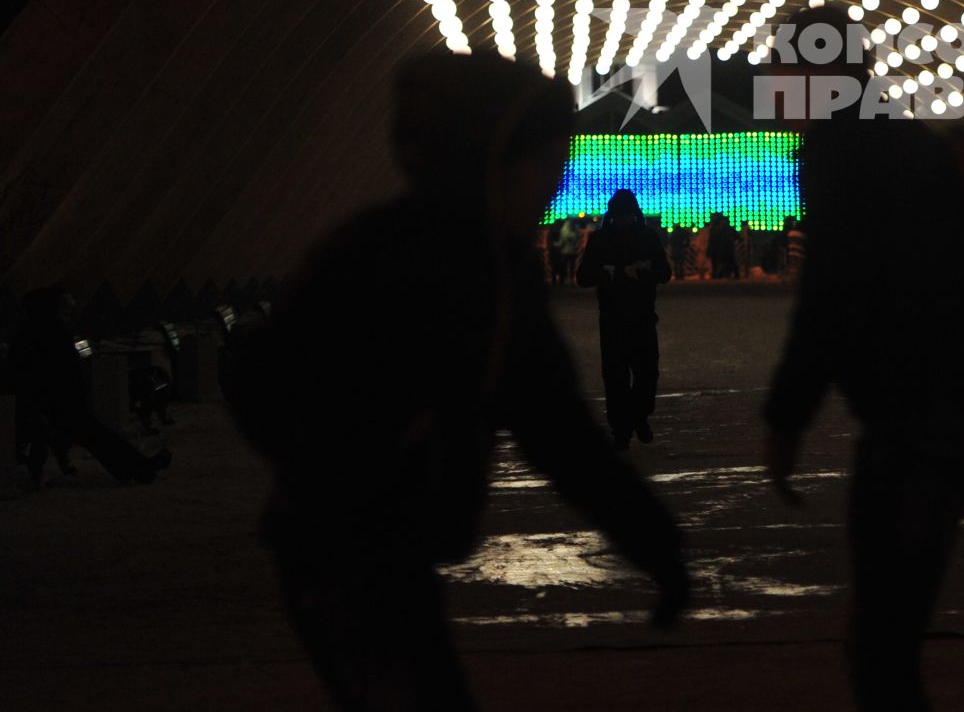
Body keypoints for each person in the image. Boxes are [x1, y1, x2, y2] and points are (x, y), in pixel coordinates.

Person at [229, 50, 689, 711]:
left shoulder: (443, 253)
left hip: (366, 547)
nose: (555, 185)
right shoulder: (438, 263)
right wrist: (360, 462)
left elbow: (552, 424)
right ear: (494, 160)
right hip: (347, 551)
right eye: (548, 164)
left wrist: (652, 541)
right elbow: (553, 427)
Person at [761, 5, 964, 712]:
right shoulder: (904, 141)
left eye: (783, 64)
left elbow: (830, 295)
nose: (773, 79)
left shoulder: (845, 150)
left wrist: (784, 419)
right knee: (886, 636)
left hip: (920, 426)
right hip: (949, 416)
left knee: (880, 644)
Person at [11, 287, 173, 485]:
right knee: (96, 435)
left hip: (52, 400)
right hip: (54, 401)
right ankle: (138, 468)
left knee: (96, 435)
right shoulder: (51, 333)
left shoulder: (34, 333)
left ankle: (136, 468)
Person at [577, 189, 668, 448]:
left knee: (646, 374)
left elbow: (664, 272)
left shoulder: (647, 238)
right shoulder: (601, 240)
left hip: (639, 318)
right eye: (621, 216)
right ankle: (623, 430)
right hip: (615, 319)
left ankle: (636, 417)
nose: (624, 220)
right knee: (617, 377)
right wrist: (616, 272)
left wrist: (641, 271)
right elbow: (583, 276)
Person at [707, 211, 739, 279]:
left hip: (721, 249)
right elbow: (737, 237)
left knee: (723, 262)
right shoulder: (727, 229)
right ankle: (725, 274)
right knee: (728, 262)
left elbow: (712, 240)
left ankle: (719, 275)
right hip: (725, 248)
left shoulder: (717, 229)